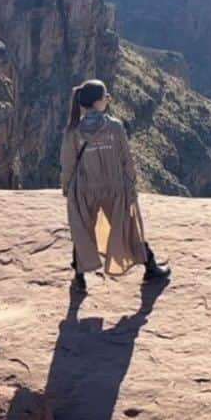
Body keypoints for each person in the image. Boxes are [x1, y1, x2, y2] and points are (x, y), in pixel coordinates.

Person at [60, 79, 171, 295]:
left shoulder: (73, 130)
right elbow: (126, 161)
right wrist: (131, 186)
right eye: (106, 97)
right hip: (115, 188)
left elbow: (68, 164)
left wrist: (68, 189)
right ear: (99, 101)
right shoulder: (114, 127)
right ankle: (150, 267)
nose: (108, 100)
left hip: (84, 189)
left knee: (82, 230)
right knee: (128, 226)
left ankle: (79, 278)